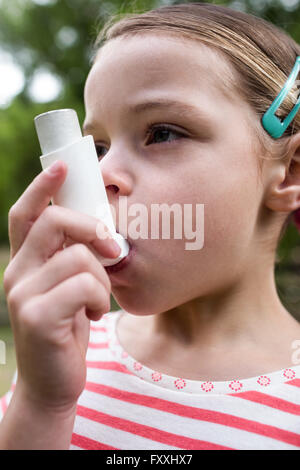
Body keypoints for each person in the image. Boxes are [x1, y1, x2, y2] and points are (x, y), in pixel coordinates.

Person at [0, 2, 300, 450]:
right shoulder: (62, 352)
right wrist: (42, 405)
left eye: (161, 133)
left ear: (291, 172)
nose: (101, 174)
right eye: (98, 146)